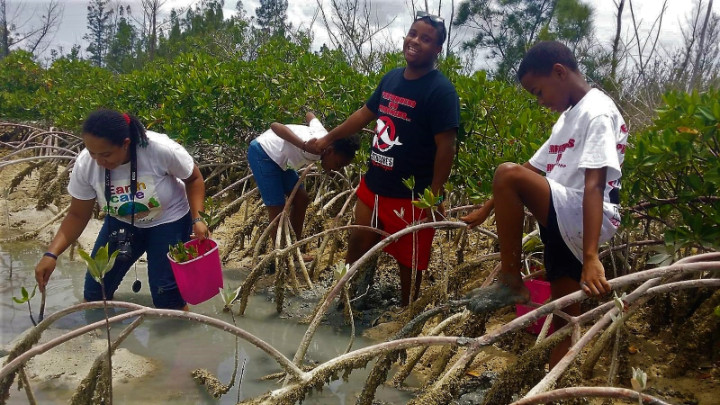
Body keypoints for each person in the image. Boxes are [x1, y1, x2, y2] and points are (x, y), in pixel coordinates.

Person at [460, 40, 628, 366]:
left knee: (505, 173)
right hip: (565, 221)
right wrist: (486, 208)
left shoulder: (597, 112)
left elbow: (594, 185)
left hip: (584, 213)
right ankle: (554, 386)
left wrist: (592, 257)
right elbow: (531, 169)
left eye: (538, 92)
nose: (540, 101)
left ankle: (510, 279)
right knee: (565, 317)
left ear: (559, 72)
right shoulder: (567, 119)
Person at [307, 11, 460, 307]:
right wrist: (328, 139)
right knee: (357, 242)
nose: (415, 41)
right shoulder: (391, 78)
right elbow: (363, 116)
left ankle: (406, 314)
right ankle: (343, 300)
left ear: (437, 50)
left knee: (410, 262)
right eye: (413, 34)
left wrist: (435, 193)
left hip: (411, 195)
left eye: (426, 39)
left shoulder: (441, 91)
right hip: (373, 184)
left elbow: (446, 147)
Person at [35, 109, 208, 310]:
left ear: (126, 144)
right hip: (122, 221)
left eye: (106, 154)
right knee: (95, 292)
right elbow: (77, 215)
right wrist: (51, 255)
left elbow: (193, 178)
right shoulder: (86, 164)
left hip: (169, 220)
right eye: (92, 153)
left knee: (167, 297)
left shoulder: (159, 149)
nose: (99, 161)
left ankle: (179, 335)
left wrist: (198, 219)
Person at [247, 112, 360, 252]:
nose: (335, 170)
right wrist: (304, 145)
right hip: (263, 153)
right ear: (330, 151)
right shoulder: (314, 147)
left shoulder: (324, 137)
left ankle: (294, 249)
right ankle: (280, 254)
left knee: (302, 199)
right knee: (277, 208)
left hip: (280, 160)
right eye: (337, 164)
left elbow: (309, 115)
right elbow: (275, 126)